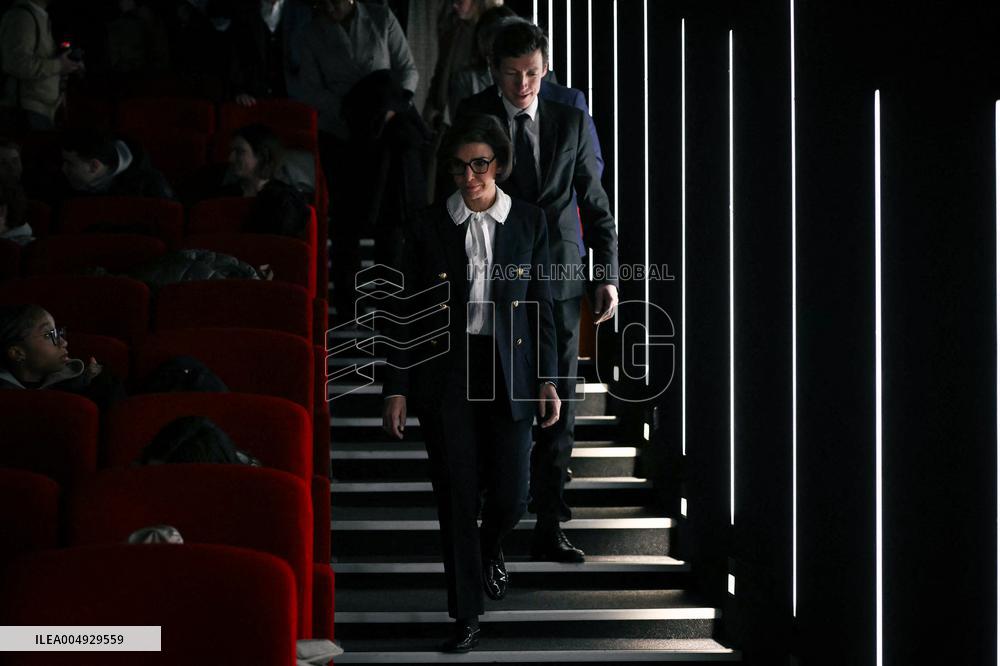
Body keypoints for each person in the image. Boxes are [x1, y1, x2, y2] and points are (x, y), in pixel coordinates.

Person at [381, 114, 561, 652]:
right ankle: (465, 615)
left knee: (513, 495)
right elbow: (403, 310)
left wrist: (551, 379)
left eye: (479, 164)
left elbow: (542, 306)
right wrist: (396, 385)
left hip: (512, 369)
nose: (469, 176)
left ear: (498, 166)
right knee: (457, 496)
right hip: (448, 372)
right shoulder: (427, 224)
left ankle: (489, 548)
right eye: (460, 167)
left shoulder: (530, 222)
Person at [455, 21, 619, 563]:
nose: (523, 84)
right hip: (495, 278)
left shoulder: (571, 120)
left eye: (532, 73)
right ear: (494, 71)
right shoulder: (474, 114)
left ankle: (550, 522)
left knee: (561, 409)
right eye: (512, 74)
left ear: (544, 68)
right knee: (500, 406)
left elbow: (594, 204)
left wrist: (609, 275)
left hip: (560, 278)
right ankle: (494, 528)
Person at [299, 0, 418, 321]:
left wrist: (390, 108)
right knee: (346, 221)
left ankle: (390, 300)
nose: (331, 5)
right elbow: (309, 89)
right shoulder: (312, 32)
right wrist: (355, 111)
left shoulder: (380, 17)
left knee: (390, 218)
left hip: (386, 130)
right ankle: (350, 304)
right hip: (342, 133)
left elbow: (407, 70)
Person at [0, 304, 122, 410]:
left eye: (57, 333)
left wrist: (99, 381)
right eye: (48, 335)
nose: (64, 342)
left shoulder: (83, 382)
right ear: (17, 353)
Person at [0, 0, 84, 130]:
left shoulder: (41, 17)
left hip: (42, 112)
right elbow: (17, 63)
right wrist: (59, 65)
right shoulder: (22, 16)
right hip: (25, 112)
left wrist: (68, 65)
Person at [219, 123, 310, 239]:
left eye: (239, 151)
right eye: (231, 151)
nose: (230, 158)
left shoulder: (287, 200)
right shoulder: (224, 194)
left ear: (262, 155)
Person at [228, 0, 312, 106]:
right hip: (253, 99)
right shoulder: (243, 9)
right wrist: (239, 90)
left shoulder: (302, 11)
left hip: (294, 97)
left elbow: (310, 55)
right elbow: (235, 53)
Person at [58, 128, 174, 200]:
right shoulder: (61, 181)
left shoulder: (149, 186)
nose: (63, 169)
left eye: (70, 164)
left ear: (94, 166)